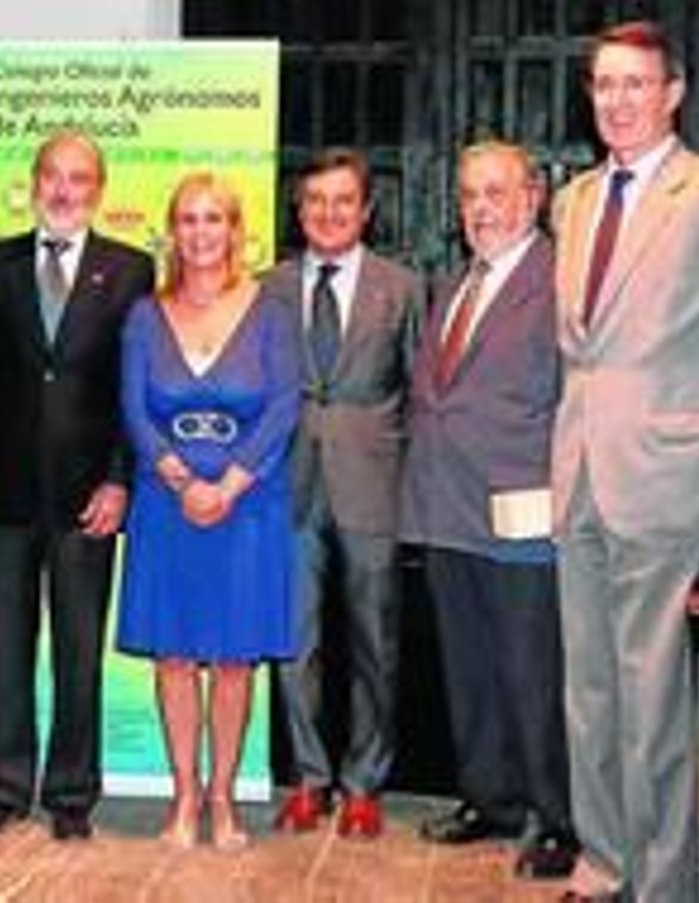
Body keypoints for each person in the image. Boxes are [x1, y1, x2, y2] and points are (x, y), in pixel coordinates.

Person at [552, 21, 699, 901]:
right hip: (579, 472)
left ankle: (663, 887)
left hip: (669, 482)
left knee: (652, 701)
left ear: (673, 92)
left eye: (633, 84)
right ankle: (605, 859)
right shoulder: (573, 200)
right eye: (603, 85)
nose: (616, 101)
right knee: (591, 694)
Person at [0, 130, 155, 842]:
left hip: (84, 498)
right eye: (52, 177)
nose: (64, 191)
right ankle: (3, 786)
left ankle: (71, 792)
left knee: (76, 649)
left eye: (79, 179)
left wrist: (121, 480)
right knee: (1, 646)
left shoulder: (130, 270)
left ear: (98, 190)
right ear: (33, 182)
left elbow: (137, 390)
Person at [400, 141, 576, 880]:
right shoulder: (455, 283)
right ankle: (490, 798)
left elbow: (576, 401)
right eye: (469, 194)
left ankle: (556, 818)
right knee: (468, 666)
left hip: (522, 513)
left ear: (532, 197)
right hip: (446, 507)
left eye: (496, 193)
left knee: (530, 671)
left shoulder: (558, 281)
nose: (480, 209)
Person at [115, 172, 300, 850]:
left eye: (213, 218)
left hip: (247, 509)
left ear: (234, 229)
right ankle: (183, 796)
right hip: (167, 508)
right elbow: (135, 409)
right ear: (174, 231)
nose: (200, 232)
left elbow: (284, 406)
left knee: (231, 661)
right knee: (173, 657)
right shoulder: (143, 313)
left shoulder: (272, 311)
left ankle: (223, 799)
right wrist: (180, 479)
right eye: (188, 219)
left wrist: (227, 485)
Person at [265, 148, 421, 840]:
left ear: (366, 209)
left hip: (373, 486)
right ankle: (308, 777)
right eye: (315, 202)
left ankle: (364, 782)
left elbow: (423, 396)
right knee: (293, 639)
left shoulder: (403, 287)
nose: (328, 213)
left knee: (374, 640)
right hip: (286, 486)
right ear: (300, 212)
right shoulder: (266, 288)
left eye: (342, 201)